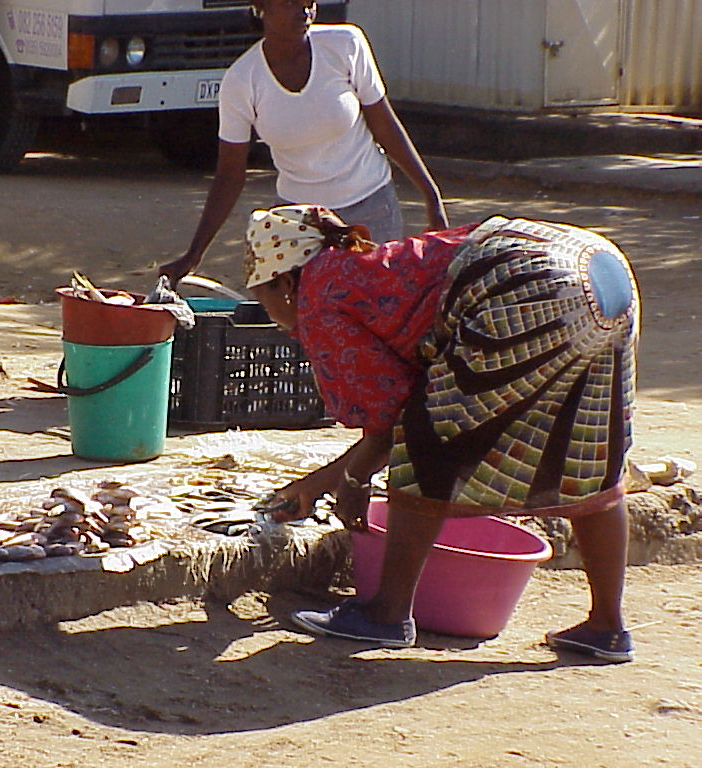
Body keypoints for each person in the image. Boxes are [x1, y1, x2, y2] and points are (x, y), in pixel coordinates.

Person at [246, 205, 640, 663]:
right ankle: (607, 627)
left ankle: (386, 613)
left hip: (527, 285)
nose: (272, 316)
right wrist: (319, 484)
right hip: (594, 264)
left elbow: (391, 423)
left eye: (263, 299)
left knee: (428, 445)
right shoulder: (364, 267)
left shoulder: (318, 297)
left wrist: (352, 482)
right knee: (588, 451)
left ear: (285, 284)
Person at [159, 0, 447, 284]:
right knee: (299, 309)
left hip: (371, 208)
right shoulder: (241, 80)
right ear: (262, 7)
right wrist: (194, 254)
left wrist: (431, 195)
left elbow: (385, 126)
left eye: (310, 1)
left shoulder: (345, 44)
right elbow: (229, 176)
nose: (305, 10)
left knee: (376, 302)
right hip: (298, 223)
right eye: (291, 2)